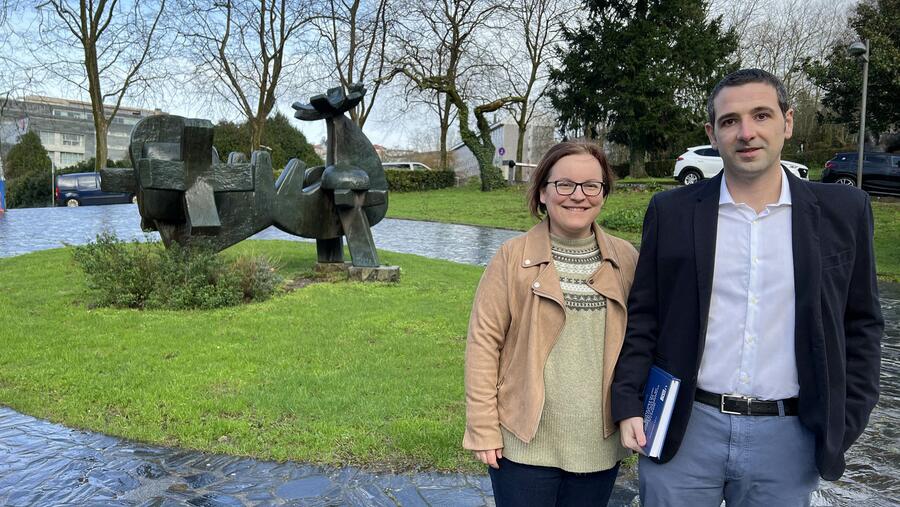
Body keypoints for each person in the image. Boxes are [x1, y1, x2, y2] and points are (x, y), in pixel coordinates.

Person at [611, 68, 883, 506]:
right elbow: (645, 315)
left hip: (788, 437)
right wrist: (627, 401)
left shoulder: (844, 211)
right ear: (712, 133)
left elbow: (863, 324)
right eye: (730, 121)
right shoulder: (672, 211)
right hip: (686, 428)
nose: (746, 132)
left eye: (761, 115)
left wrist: (846, 419)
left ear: (787, 122)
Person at [464, 141, 638, 506]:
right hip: (524, 446)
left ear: (604, 193)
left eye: (592, 185)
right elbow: (484, 344)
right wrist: (483, 428)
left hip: (598, 445)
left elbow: (641, 344)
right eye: (564, 185)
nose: (579, 196)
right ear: (542, 192)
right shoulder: (511, 257)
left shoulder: (626, 259)